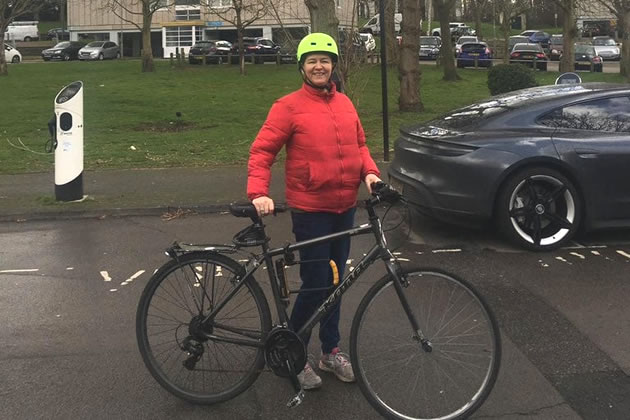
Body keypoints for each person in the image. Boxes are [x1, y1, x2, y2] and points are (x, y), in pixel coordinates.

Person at [246, 32, 381, 390]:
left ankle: (330, 350)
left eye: (325, 60)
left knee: (337, 284)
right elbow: (262, 152)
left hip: (344, 207)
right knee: (316, 283)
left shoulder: (345, 104)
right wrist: (259, 193)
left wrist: (369, 172)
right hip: (311, 209)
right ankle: (294, 352)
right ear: (302, 68)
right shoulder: (288, 106)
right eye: (311, 61)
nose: (319, 66)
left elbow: (360, 144)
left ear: (333, 65)